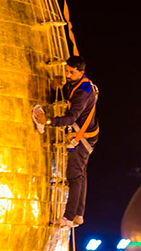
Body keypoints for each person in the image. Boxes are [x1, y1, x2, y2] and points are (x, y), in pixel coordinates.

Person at [33, 56, 99, 227]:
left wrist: (46, 121)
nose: (67, 75)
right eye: (66, 71)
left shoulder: (82, 92)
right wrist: (56, 88)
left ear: (81, 72)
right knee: (80, 175)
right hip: (85, 135)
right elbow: (63, 99)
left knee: (74, 176)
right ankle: (78, 215)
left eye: (71, 72)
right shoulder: (76, 84)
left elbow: (71, 117)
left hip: (82, 137)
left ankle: (68, 218)